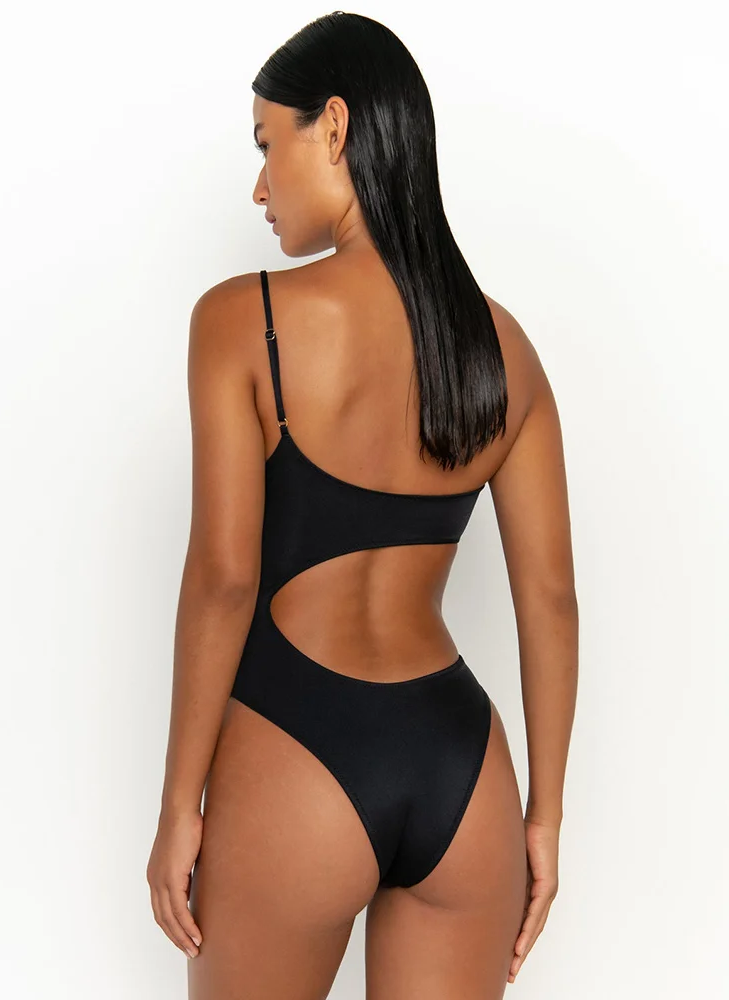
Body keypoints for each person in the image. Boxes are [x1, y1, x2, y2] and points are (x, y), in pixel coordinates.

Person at [147, 12, 578, 999]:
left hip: (296, 754)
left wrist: (179, 806)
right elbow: (551, 598)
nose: (260, 187)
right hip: (461, 773)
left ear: (334, 127)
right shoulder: (502, 349)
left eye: (268, 144)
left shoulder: (242, 321)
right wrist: (544, 817)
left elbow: (224, 580)